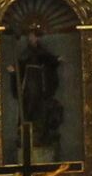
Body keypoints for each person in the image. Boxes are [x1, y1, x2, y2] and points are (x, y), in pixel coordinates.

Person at [6, 38, 66, 166]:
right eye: (31, 37)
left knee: (41, 113)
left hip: (39, 85)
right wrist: (14, 72)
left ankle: (40, 134)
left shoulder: (42, 54)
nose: (33, 39)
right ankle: (28, 133)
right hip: (28, 88)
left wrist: (56, 60)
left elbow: (48, 61)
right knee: (27, 111)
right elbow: (20, 68)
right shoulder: (25, 55)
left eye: (35, 36)